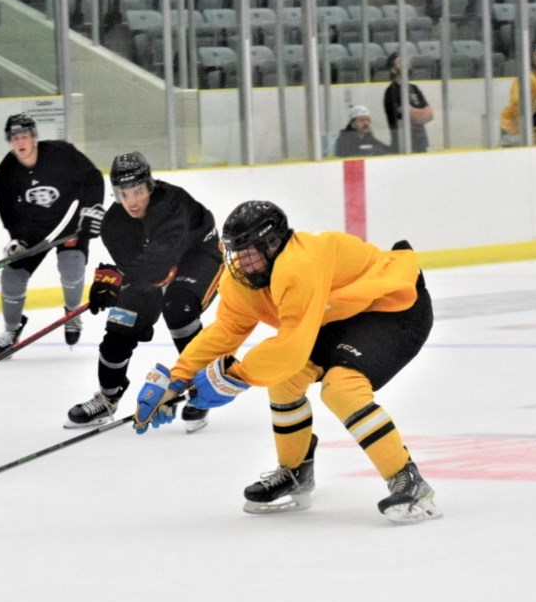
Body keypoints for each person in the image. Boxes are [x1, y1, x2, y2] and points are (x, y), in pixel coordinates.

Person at [133, 200, 441, 524]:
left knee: (341, 389)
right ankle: (295, 473)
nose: (241, 263)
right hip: (337, 313)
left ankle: (410, 482)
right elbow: (226, 330)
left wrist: (232, 378)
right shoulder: (243, 277)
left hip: (394, 306)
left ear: (273, 243)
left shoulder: (298, 266)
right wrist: (177, 379)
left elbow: (290, 349)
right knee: (284, 381)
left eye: (249, 252)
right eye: (235, 253)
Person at [67, 151, 224, 431]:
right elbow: (138, 274)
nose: (132, 201)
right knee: (120, 321)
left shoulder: (172, 204)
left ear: (149, 185)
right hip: (154, 266)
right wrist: (112, 285)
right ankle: (108, 397)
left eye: (137, 191)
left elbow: (161, 267)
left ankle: (203, 390)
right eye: (123, 194)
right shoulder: (114, 224)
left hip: (199, 254)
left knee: (178, 306)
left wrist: (119, 277)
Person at [0, 113, 106, 360]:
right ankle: (11, 330)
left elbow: (92, 177)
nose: (20, 142)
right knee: (12, 276)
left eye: (25, 136)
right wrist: (17, 240)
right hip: (33, 233)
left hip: (70, 223)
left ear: (34, 138)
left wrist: (92, 208)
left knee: (71, 264)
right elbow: (8, 213)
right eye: (15, 137)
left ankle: (72, 315)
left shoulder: (60, 153)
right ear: (9, 141)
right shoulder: (4, 174)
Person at [383, 52, 434, 154]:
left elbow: (430, 115)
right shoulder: (392, 91)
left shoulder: (414, 88)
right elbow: (410, 115)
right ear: (393, 69)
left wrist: (415, 113)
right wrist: (420, 113)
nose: (406, 63)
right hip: (403, 147)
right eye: (400, 61)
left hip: (420, 145)